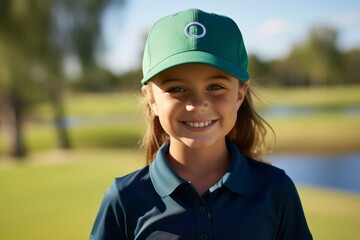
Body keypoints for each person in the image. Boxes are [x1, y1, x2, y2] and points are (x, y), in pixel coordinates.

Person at [90, 8, 312, 240]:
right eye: (177, 89)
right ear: (152, 99)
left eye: (215, 87)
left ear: (239, 94)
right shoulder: (124, 199)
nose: (197, 104)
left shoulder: (275, 191)